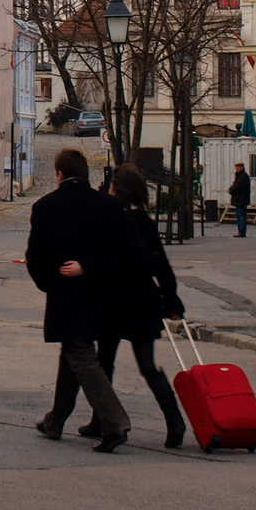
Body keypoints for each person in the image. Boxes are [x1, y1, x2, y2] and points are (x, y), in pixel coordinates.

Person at [26, 148, 148, 453]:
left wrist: (52, 283)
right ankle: (55, 421)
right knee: (73, 354)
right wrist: (93, 268)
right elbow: (132, 255)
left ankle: (114, 422)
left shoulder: (45, 207)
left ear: (59, 175)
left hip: (65, 298)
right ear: (86, 175)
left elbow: (35, 259)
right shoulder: (109, 206)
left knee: (79, 356)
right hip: (102, 297)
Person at [77, 167, 187, 448]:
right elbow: (161, 264)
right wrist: (171, 299)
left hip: (115, 299)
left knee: (104, 362)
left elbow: (103, 259)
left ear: (118, 191)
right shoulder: (145, 222)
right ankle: (174, 420)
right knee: (148, 366)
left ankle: (101, 419)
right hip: (142, 301)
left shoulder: (115, 220)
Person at [229, 162, 252, 237]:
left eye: (237, 167)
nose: (236, 169)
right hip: (240, 199)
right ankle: (241, 231)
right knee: (240, 215)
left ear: (241, 167)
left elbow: (237, 186)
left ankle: (241, 232)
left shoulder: (242, 176)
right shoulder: (241, 176)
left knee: (241, 215)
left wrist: (231, 190)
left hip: (241, 199)